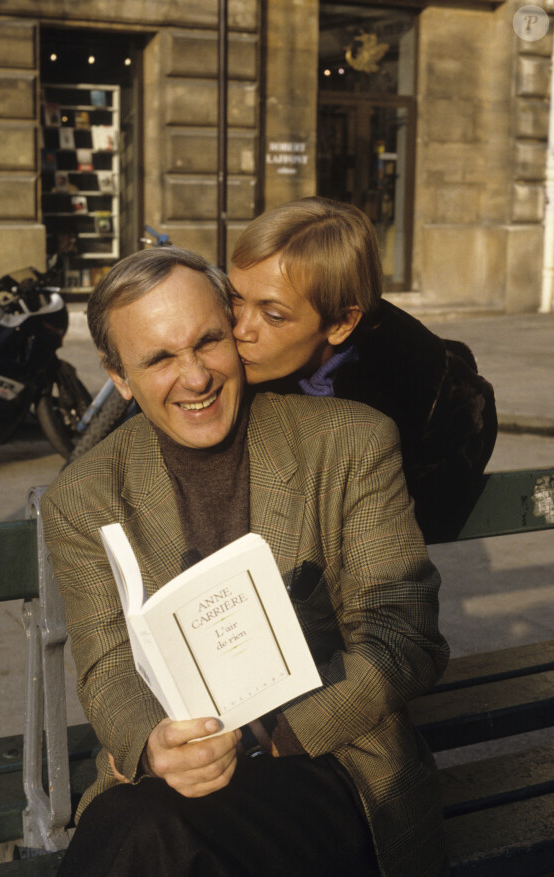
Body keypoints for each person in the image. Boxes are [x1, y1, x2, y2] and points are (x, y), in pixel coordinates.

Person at [41, 246, 449, 876]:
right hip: (170, 784)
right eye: (159, 358)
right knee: (153, 828)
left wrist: (273, 736)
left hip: (334, 765)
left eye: (207, 341)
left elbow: (404, 639)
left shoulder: (347, 442)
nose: (196, 377)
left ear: (233, 332)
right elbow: (107, 665)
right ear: (118, 375)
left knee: (150, 836)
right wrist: (154, 747)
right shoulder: (86, 495)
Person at [228, 196, 498, 543]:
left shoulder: (427, 411)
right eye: (235, 297)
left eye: (273, 315)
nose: (240, 329)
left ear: (341, 322)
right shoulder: (209, 355)